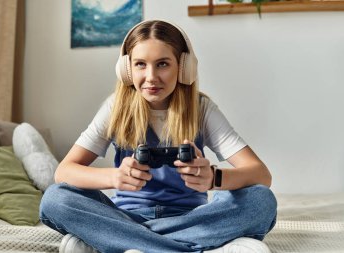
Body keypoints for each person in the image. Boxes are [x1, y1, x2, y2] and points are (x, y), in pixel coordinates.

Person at [40, 20, 277, 253]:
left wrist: (213, 178)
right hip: (126, 217)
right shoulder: (116, 108)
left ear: (184, 68)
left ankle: (118, 242)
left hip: (189, 218)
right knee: (55, 199)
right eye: (141, 64)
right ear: (127, 69)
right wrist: (115, 177)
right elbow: (64, 172)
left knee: (261, 200)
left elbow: (261, 174)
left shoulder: (201, 109)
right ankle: (188, 247)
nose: (151, 76)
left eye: (162, 64)